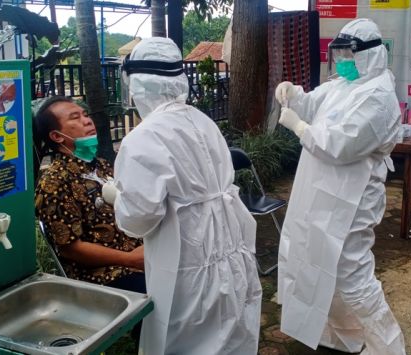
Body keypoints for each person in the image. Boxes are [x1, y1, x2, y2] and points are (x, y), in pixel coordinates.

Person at [112, 37, 262, 355]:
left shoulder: (142, 139)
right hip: (229, 249)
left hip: (186, 266)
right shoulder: (203, 121)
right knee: (230, 336)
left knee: (188, 343)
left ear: (138, 86)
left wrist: (118, 198)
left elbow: (139, 219)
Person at [274, 18, 405, 355]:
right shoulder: (346, 85)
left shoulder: (378, 97)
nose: (343, 60)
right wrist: (293, 93)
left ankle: (388, 347)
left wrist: (300, 127)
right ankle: (340, 334)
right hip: (320, 190)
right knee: (316, 258)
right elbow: (314, 102)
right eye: (340, 53)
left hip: (353, 196)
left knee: (351, 273)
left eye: (349, 54)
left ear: (369, 55)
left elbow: (339, 145)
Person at [33, 96, 145, 293]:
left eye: (85, 114)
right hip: (104, 275)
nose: (87, 120)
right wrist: (130, 259)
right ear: (57, 136)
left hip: (139, 255)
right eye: (75, 118)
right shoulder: (54, 182)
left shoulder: (101, 165)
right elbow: (70, 248)